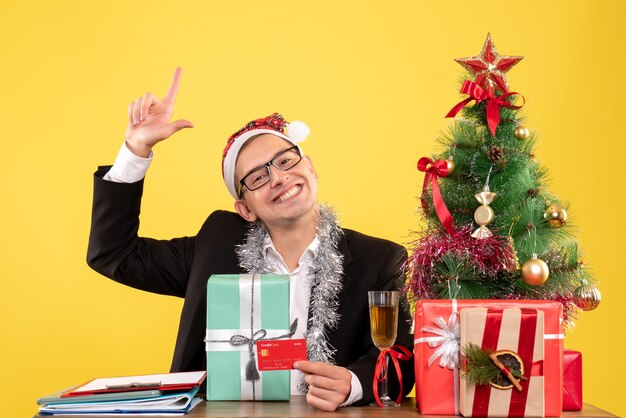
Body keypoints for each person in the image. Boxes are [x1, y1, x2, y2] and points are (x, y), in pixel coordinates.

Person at [87, 68, 414, 411]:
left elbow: (403, 355)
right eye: (258, 177)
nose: (279, 178)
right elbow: (113, 254)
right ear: (245, 209)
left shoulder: (380, 259)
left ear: (311, 167)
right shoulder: (216, 244)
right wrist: (136, 150)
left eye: (286, 161)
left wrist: (355, 384)